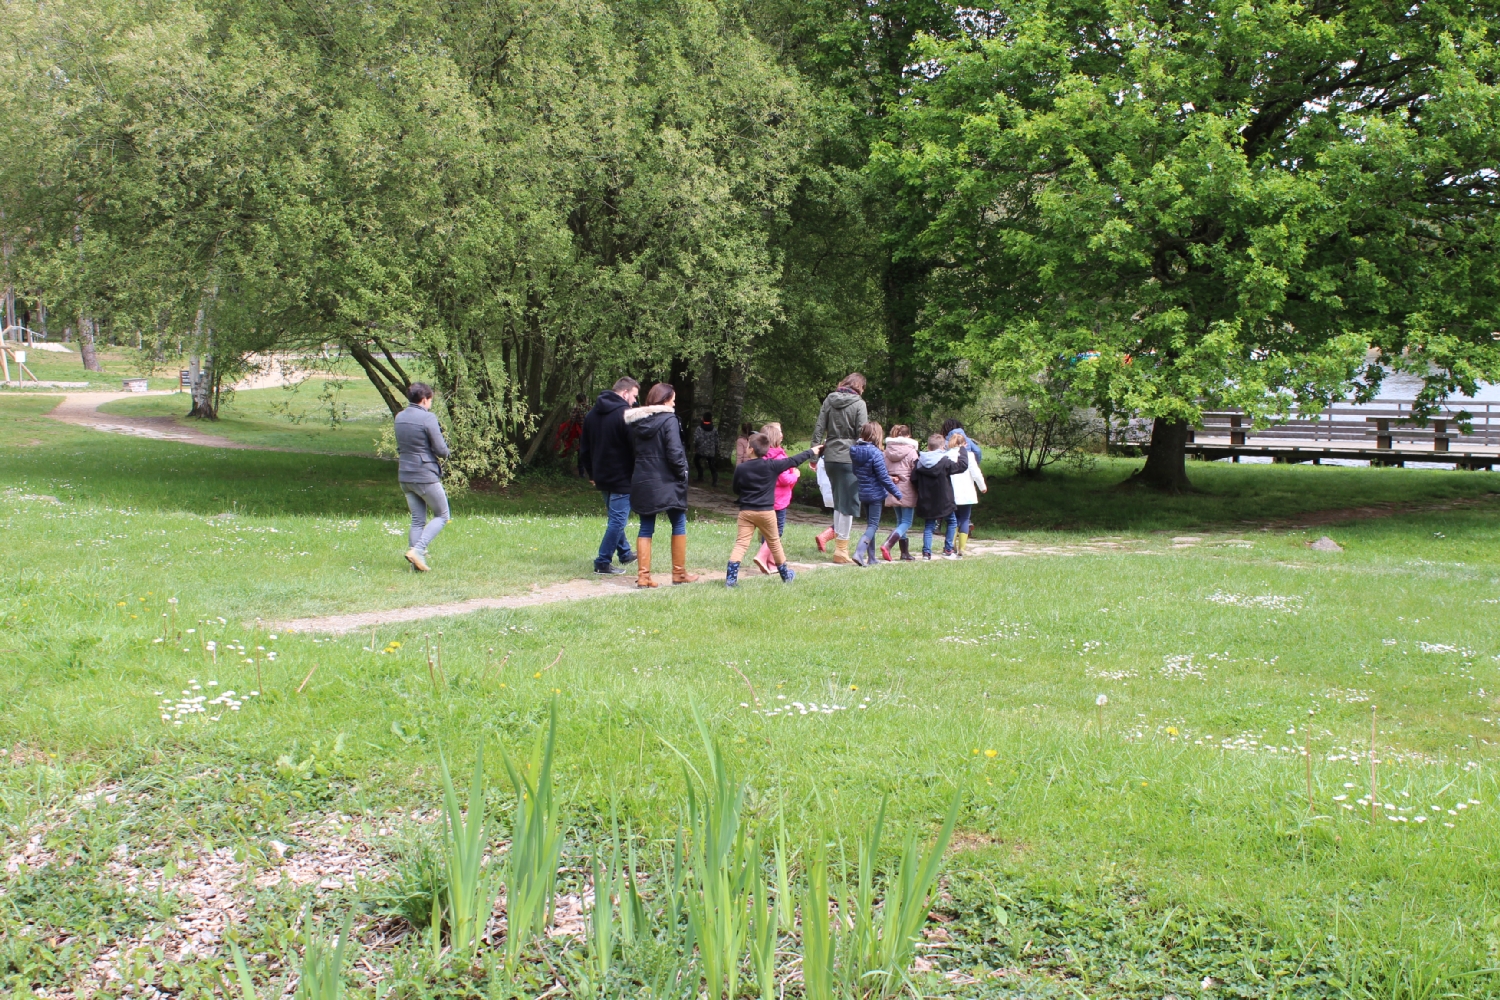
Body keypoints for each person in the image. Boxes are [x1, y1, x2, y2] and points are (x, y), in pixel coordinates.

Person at [624, 382, 697, 587]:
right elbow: (674, 452)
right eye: (672, 399)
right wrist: (682, 472)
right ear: (665, 400)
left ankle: (643, 576)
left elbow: (631, 452)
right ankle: (679, 573)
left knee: (646, 527)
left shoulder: (637, 422)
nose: (674, 404)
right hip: (668, 481)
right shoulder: (669, 420)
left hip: (643, 479)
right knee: (678, 523)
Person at [726, 435, 821, 586]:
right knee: (774, 543)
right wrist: (812, 451)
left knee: (741, 544)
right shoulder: (772, 465)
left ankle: (731, 580)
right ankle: (785, 576)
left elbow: (735, 489)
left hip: (746, 512)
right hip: (766, 513)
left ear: (751, 449)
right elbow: (794, 460)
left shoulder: (741, 468)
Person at [579, 377, 640, 574]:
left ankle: (624, 553)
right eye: (634, 396)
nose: (634, 401)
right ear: (625, 393)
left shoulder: (591, 415)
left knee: (615, 517)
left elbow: (584, 448)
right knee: (618, 521)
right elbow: (634, 449)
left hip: (601, 475)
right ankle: (602, 562)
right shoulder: (626, 415)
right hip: (622, 477)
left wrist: (591, 472)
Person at [809, 372, 868, 564]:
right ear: (860, 387)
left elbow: (819, 428)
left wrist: (814, 455)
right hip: (850, 458)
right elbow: (863, 432)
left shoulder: (829, 399)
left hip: (831, 456)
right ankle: (841, 550)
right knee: (848, 504)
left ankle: (840, 548)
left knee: (838, 502)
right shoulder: (859, 403)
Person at [394, 382, 451, 573]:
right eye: (430, 400)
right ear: (425, 399)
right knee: (442, 515)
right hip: (424, 474)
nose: (430, 404)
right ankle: (418, 550)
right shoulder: (427, 418)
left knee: (418, 520)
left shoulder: (400, 417)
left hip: (405, 475)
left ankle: (416, 565)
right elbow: (441, 449)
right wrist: (447, 452)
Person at [849, 422, 902, 566]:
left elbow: (856, 471)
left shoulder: (855, 450)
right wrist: (897, 493)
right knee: (873, 525)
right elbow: (883, 478)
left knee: (870, 525)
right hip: (875, 494)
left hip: (863, 492)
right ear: (876, 435)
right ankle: (859, 552)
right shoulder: (876, 453)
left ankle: (871, 558)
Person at [752, 422, 800, 574]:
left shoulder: (761, 456)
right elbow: (785, 479)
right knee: (776, 532)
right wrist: (795, 475)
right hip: (779, 501)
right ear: (775, 438)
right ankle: (762, 555)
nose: (782, 435)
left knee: (768, 530)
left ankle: (771, 563)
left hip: (764, 499)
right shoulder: (779, 457)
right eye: (780, 433)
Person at [912, 432, 969, 560]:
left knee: (929, 525)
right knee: (952, 522)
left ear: (928, 447)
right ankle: (948, 550)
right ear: (942, 447)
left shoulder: (919, 462)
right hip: (944, 499)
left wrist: (920, 489)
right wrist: (962, 450)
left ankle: (926, 554)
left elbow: (913, 479)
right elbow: (962, 466)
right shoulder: (944, 462)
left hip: (926, 499)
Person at [880, 424, 919, 561]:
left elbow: (882, 470)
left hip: (892, 487)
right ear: (908, 436)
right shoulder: (911, 451)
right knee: (907, 522)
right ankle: (888, 544)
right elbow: (916, 471)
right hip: (906, 488)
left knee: (899, 521)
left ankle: (904, 553)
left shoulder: (887, 451)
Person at [947, 429, 987, 556]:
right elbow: (976, 473)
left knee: (953, 520)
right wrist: (982, 486)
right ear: (965, 443)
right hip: (966, 494)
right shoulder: (969, 456)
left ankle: (950, 546)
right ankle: (962, 548)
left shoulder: (946, 455)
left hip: (951, 493)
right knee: (965, 518)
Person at [813, 454, 837, 552]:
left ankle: (825, 537)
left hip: (827, 492)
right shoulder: (834, 459)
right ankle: (824, 537)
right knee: (844, 520)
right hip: (836, 492)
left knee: (841, 519)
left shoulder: (821, 460)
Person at [693, 412, 719, 485]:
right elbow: (717, 441)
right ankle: (715, 481)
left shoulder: (699, 428)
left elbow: (696, 440)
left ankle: (700, 476)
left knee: (696, 460)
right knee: (711, 465)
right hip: (711, 451)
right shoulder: (714, 429)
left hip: (700, 450)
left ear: (703, 418)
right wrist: (715, 449)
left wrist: (696, 447)